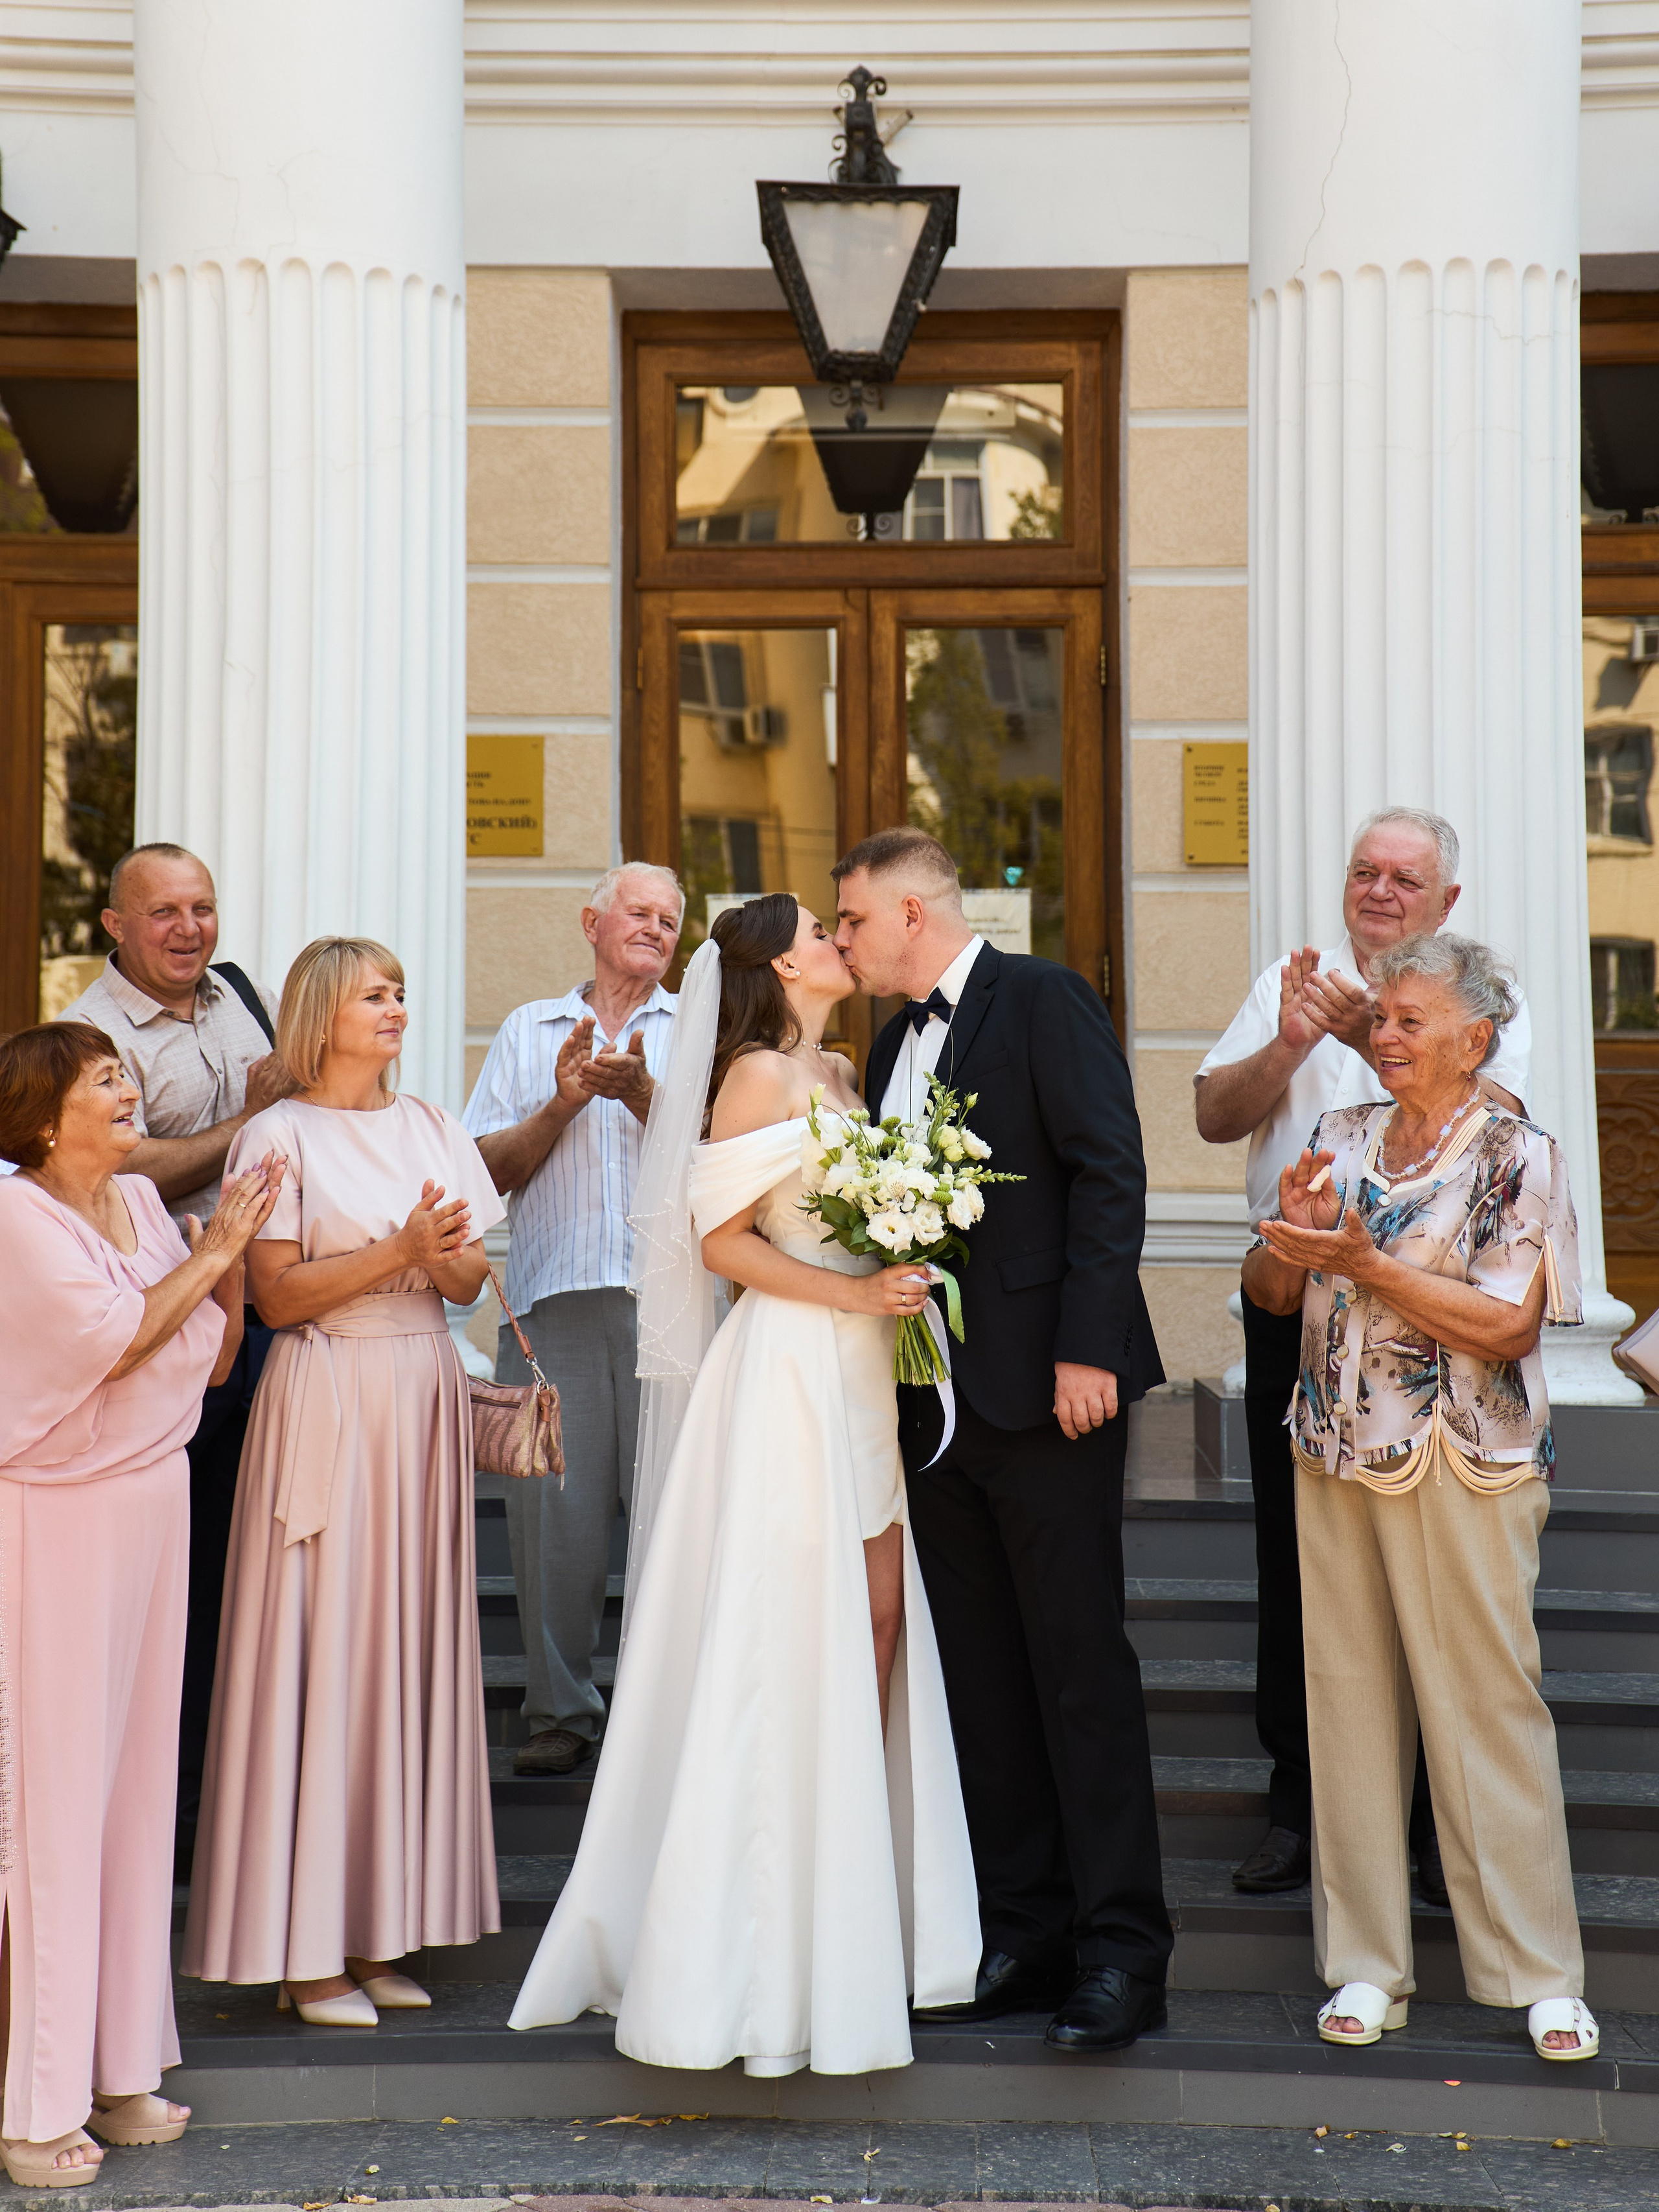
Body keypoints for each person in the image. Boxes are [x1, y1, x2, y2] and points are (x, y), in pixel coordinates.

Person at [509, 894, 980, 2073]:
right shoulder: (759, 1075)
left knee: (877, 1623)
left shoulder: (839, 1065)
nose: (840, 940)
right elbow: (719, 1242)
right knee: (794, 1635)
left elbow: (845, 1218)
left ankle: (850, 1904)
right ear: (781, 961)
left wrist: (898, 1262)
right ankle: (761, 1938)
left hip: (864, 1368)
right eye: (824, 929)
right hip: (788, 1369)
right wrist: (855, 1293)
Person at [834, 828, 1172, 2055]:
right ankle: (1024, 1932)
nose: (842, 941)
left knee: (1081, 1668)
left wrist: (1088, 1347)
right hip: (935, 1415)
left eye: (853, 920)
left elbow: (1108, 1171)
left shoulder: (1044, 999)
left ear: (916, 910)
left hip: (1052, 1395)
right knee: (982, 1674)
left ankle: (1124, 1951)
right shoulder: (885, 1045)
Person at [1242, 933, 1597, 2063]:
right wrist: (1292, 1241)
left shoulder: (1517, 1152)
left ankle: (1540, 1974)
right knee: (1346, 1707)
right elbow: (1267, 1290)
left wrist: (1365, 1262)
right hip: (1333, 1451)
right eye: (1380, 1018)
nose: (1381, 1037)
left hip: (1465, 1456)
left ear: (1474, 1036)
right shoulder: (1338, 1136)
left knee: (1488, 1708)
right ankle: (1364, 1965)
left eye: (1406, 1020)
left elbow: (1507, 1324)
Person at [1194, 808, 1531, 1901]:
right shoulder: (1291, 979)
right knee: (1295, 1560)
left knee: (1433, 1574)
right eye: (1364, 871)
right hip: (1293, 1298)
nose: (1379, 889)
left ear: (1447, 900)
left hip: (1435, 1322)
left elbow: (1501, 1123)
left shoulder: (1482, 995)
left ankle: (1439, 1827)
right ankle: (1301, 1805)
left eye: (1404, 875)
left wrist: (1360, 1034)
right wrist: (1293, 1036)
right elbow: (1211, 1112)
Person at [181, 937, 511, 2025]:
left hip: (419, 1390)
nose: (399, 1010)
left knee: (400, 1652)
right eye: (377, 994)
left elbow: (467, 1280)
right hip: (324, 1397)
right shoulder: (275, 1136)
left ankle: (375, 1931)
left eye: (404, 993)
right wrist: (400, 1245)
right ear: (324, 1012)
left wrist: (442, 1252)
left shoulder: (432, 1126)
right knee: (320, 1651)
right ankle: (304, 1948)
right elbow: (276, 1297)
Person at [0, 1023, 280, 2188]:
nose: (126, 1089)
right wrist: (216, 1253)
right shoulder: (20, 1214)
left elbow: (208, 1360)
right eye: (101, 1077)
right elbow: (122, 1345)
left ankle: (118, 2067)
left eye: (124, 1071)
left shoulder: (139, 1210)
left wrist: (217, 1261)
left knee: (133, 1794)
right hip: (59, 1521)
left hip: (154, 1500)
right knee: (58, 1805)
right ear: (41, 1115)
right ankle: (34, 2102)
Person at [59, 841, 295, 1880]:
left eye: (201, 908)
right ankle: (180, 1816)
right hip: (167, 1329)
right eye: (164, 913)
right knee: (187, 1579)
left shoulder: (235, 992)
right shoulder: (88, 1032)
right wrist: (256, 1120)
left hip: (261, 1312)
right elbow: (129, 1159)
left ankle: (241, 1791)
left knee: (251, 1564)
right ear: (115, 924)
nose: (190, 930)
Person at [463, 865, 682, 1776]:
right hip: (553, 1301)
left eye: (672, 920)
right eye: (640, 911)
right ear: (592, 921)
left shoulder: (699, 1030)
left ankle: (668, 1713)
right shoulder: (528, 1029)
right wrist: (562, 1101)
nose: (658, 928)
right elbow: (485, 1171)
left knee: (675, 1514)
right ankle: (562, 1708)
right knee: (554, 1516)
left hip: (668, 1306)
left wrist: (639, 1093)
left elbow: (719, 1157)